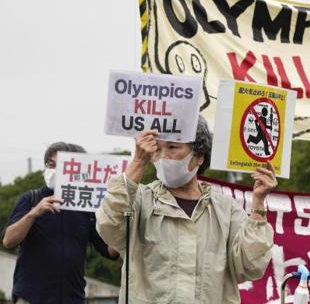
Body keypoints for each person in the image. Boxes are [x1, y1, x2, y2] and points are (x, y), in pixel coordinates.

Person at [96, 115, 277, 304]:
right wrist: (138, 163)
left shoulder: (225, 209)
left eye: (173, 147)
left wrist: (258, 205)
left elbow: (249, 267)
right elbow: (109, 228)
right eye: (157, 149)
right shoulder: (139, 200)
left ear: (198, 157)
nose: (164, 155)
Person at [1, 142, 119, 304]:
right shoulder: (31, 199)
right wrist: (34, 213)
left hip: (73, 297)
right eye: (51, 164)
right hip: (32, 297)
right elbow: (8, 241)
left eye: (62, 165)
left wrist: (120, 221)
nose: (55, 170)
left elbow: (110, 250)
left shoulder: (86, 207)